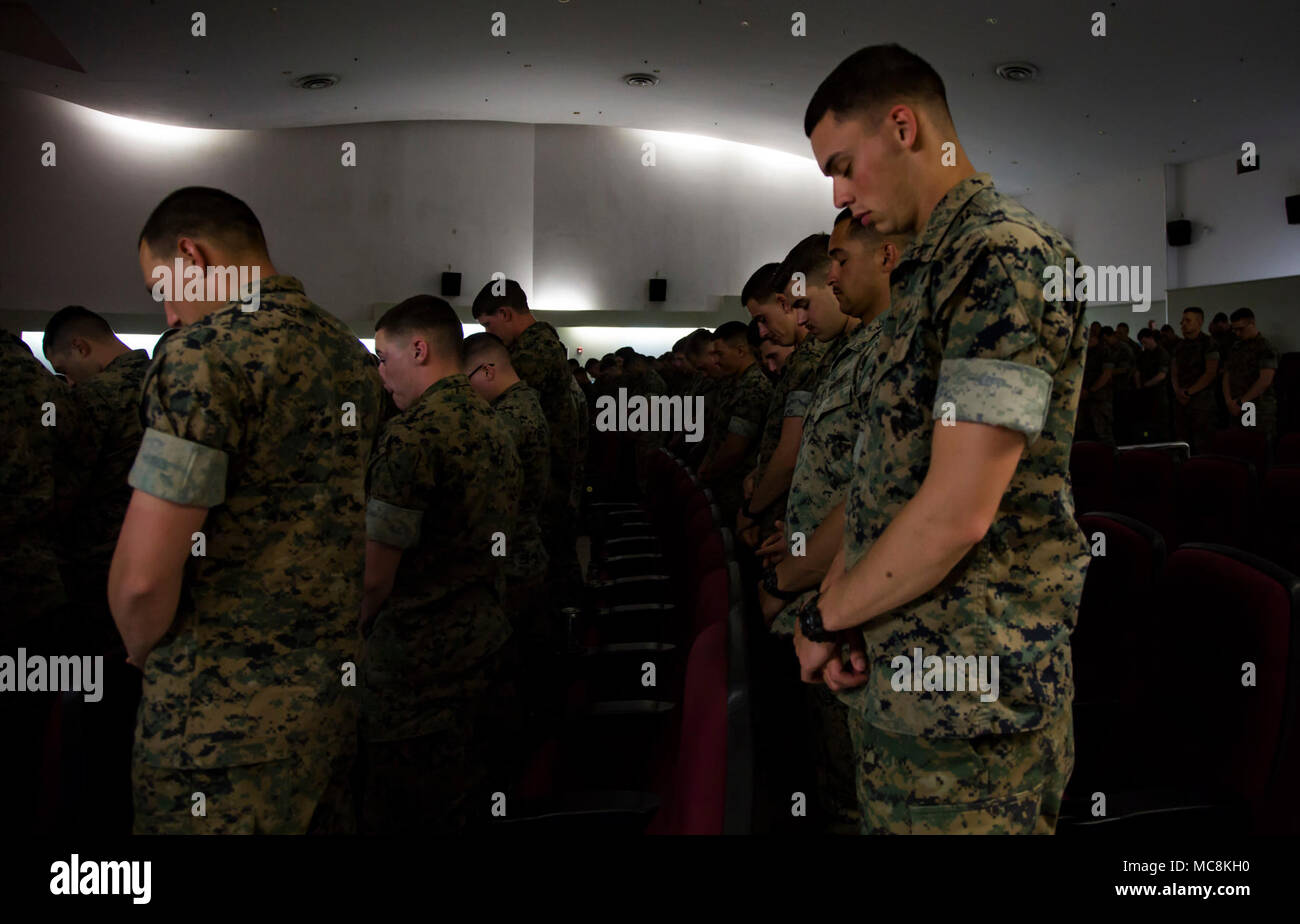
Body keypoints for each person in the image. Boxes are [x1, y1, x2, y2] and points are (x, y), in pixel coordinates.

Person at [801, 43, 1086, 834]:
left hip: (973, 720)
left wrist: (827, 619)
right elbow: (890, 481)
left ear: (903, 126)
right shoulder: (926, 271)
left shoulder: (1002, 253)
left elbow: (959, 508)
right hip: (910, 688)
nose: (839, 192)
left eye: (844, 164)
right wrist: (853, 611)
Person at [114, 186, 384, 834]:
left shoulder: (203, 355)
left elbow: (143, 580)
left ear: (192, 255)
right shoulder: (348, 357)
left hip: (216, 727)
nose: (171, 314)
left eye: (163, 289)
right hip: (330, 709)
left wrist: (139, 645)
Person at [359, 297, 522, 834]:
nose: (381, 375)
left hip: (413, 671)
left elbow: (374, 579)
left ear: (419, 349)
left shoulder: (412, 436)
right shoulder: (495, 420)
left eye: (384, 358)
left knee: (402, 808)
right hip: (482, 645)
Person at [471, 279, 582, 607]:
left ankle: (569, 631)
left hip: (550, 478)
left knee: (552, 569)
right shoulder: (539, 343)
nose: (489, 334)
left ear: (504, 313)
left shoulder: (534, 350)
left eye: (488, 324)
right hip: (554, 473)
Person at [741, 257, 827, 547]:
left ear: (783, 303)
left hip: (793, 519)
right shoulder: (798, 362)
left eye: (762, 319)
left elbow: (791, 455)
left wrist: (751, 511)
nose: (762, 332)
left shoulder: (809, 362)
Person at [697, 321, 771, 524]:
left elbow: (734, 448)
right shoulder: (735, 383)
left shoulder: (753, 386)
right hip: (725, 482)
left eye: (719, 354)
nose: (715, 361)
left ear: (740, 351)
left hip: (738, 487)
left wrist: (708, 473)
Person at [1222, 308, 1278, 444]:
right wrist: (1229, 401)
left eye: (1240, 329)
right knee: (1237, 443)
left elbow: (1265, 380)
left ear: (1251, 323)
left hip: (1255, 407)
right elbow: (1227, 374)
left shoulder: (1265, 347)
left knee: (1254, 444)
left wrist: (1242, 402)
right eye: (1234, 330)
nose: (1237, 333)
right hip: (1235, 405)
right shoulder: (1236, 347)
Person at [1170, 306, 1219, 452]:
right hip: (1181, 401)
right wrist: (1178, 391)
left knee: (1203, 443)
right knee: (1182, 442)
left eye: (1187, 320)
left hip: (1202, 402)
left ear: (1199, 322)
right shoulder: (1179, 346)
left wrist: (1188, 392)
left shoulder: (1209, 343)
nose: (1182, 324)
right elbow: (1174, 371)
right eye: (1182, 320)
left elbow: (1210, 373)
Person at [1135, 328, 1171, 442]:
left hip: (1159, 393)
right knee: (1147, 424)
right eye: (1142, 343)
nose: (1144, 345)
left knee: (1162, 424)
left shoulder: (1162, 353)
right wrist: (1139, 387)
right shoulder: (1144, 354)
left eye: (1145, 342)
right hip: (1146, 394)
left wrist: (1145, 385)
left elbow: (1161, 375)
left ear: (1151, 338)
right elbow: (1137, 371)